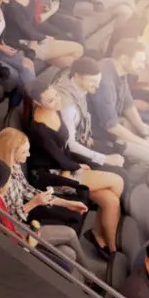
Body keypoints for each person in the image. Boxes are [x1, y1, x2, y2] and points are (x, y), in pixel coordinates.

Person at [23, 78, 124, 258]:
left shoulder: (55, 110)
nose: (57, 100)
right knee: (117, 181)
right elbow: (57, 156)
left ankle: (107, 244)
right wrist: (75, 167)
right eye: (51, 100)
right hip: (50, 174)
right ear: (38, 102)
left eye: (56, 95)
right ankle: (105, 242)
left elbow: (64, 147)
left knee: (111, 200)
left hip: (64, 165)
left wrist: (73, 165)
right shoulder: (38, 128)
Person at [0, 129, 90, 251]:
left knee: (68, 252)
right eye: (24, 152)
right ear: (11, 153)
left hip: (21, 224)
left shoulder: (14, 166)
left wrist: (68, 204)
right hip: (15, 231)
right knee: (70, 234)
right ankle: (88, 270)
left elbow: (28, 190)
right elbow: (5, 221)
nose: (29, 154)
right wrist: (33, 204)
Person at [89, 41, 149, 166]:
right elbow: (111, 127)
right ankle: (133, 179)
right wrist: (146, 144)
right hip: (103, 134)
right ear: (124, 59)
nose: (143, 66)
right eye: (139, 62)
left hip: (119, 123)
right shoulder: (105, 83)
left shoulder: (119, 70)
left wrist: (145, 134)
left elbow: (128, 105)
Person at [0, 0, 83, 69]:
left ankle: (68, 80)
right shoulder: (11, 5)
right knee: (78, 49)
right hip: (25, 43)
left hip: (35, 36)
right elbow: (25, 29)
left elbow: (33, 20)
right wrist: (44, 37)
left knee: (67, 61)